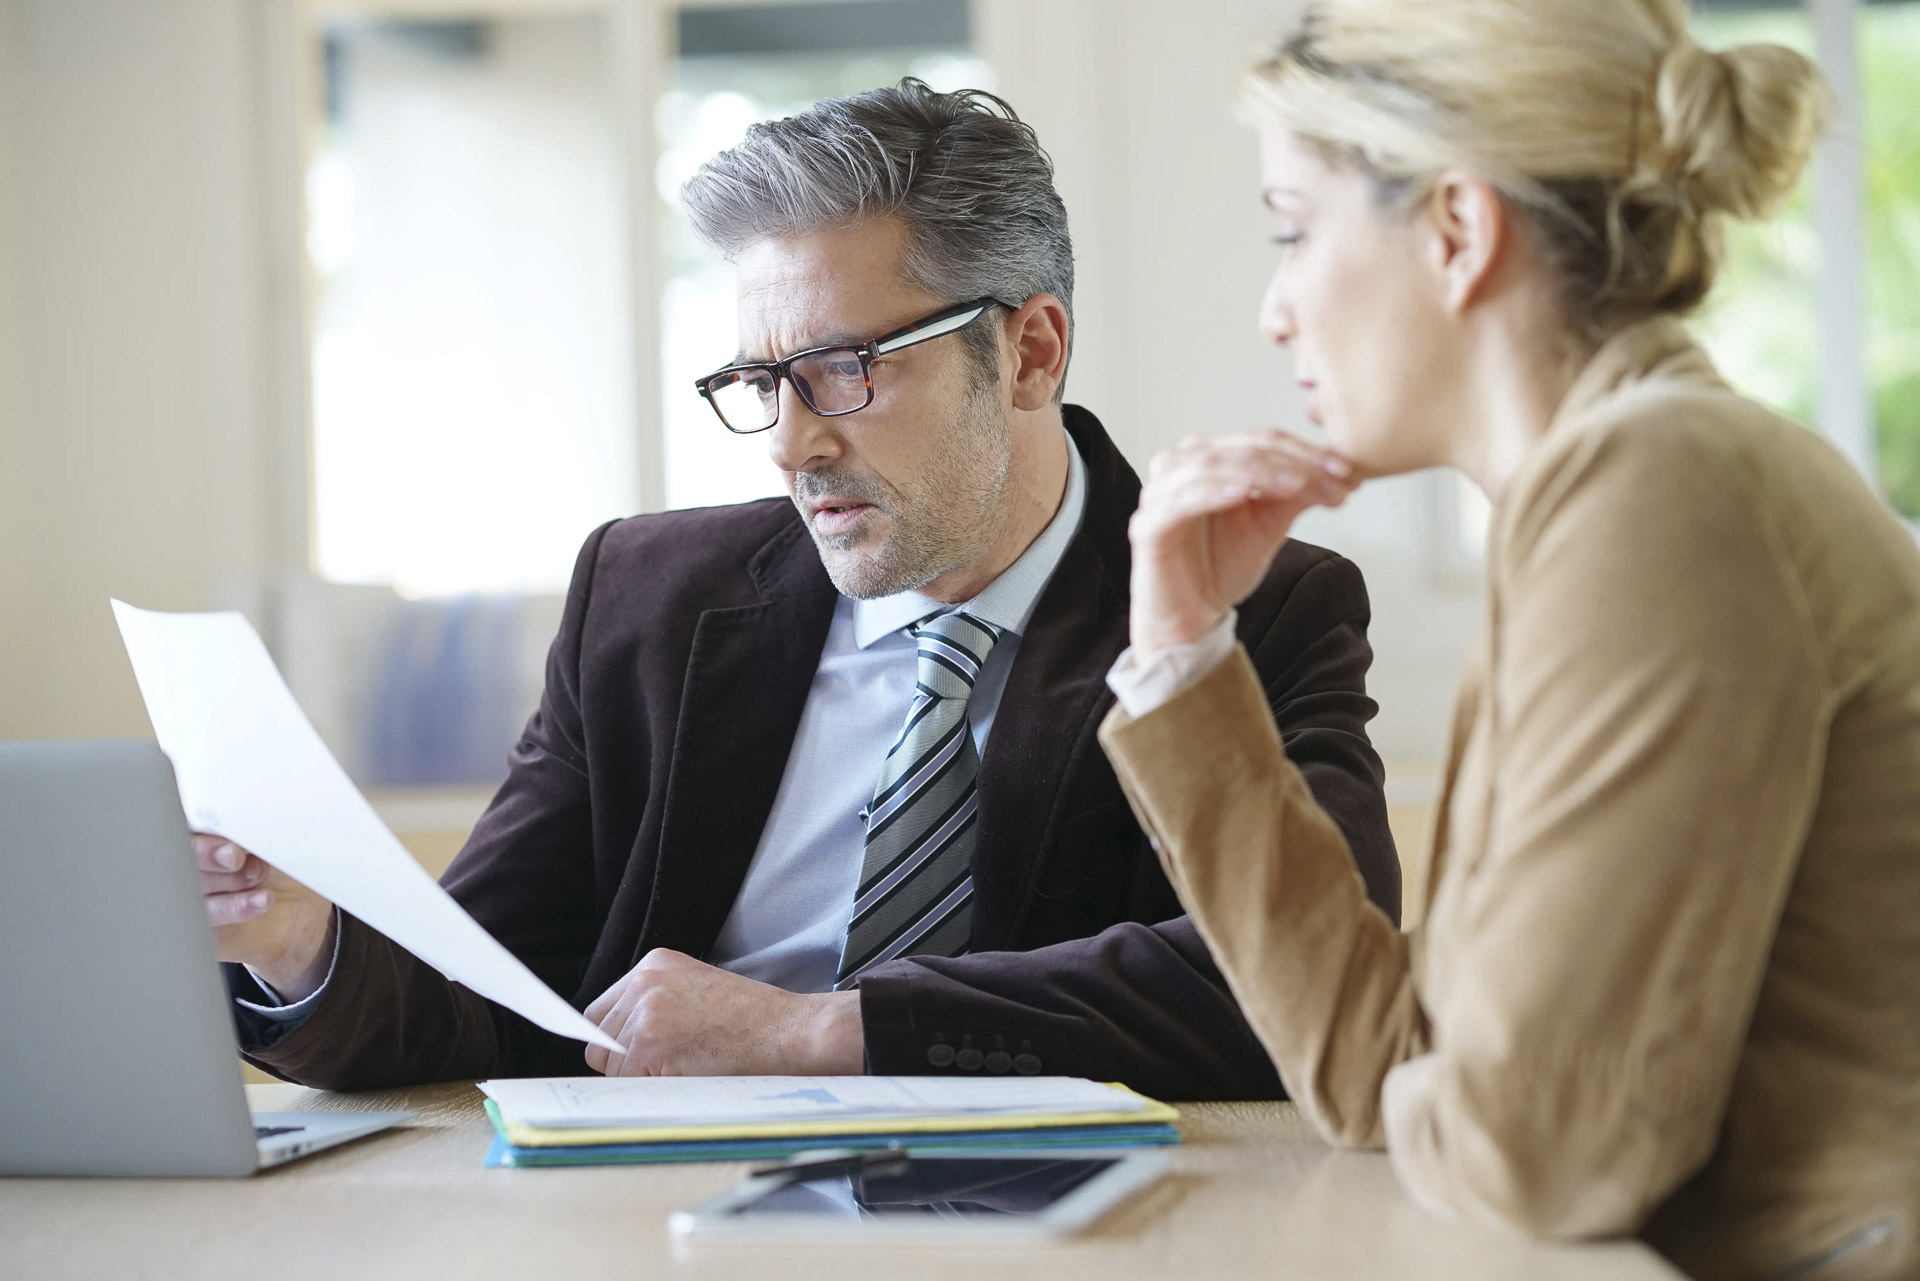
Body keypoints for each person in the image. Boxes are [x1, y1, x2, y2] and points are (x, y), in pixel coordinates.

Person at [194, 80, 1400, 1099]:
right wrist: (299, 943)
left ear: (1030, 351)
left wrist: (820, 1032)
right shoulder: (645, 599)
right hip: (654, 1219)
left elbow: (1298, 986)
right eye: (762, 381)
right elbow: (483, 989)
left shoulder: (1250, 607)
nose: (789, 443)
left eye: (844, 369)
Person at [1098, 2, 1919, 1276]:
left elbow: (1535, 1148)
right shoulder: (1604, 491)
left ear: (1457, 231)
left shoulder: (1659, 487)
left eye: (1294, 231)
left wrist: (1462, 1087)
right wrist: (1186, 655)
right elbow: (1381, 1071)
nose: (1275, 311)